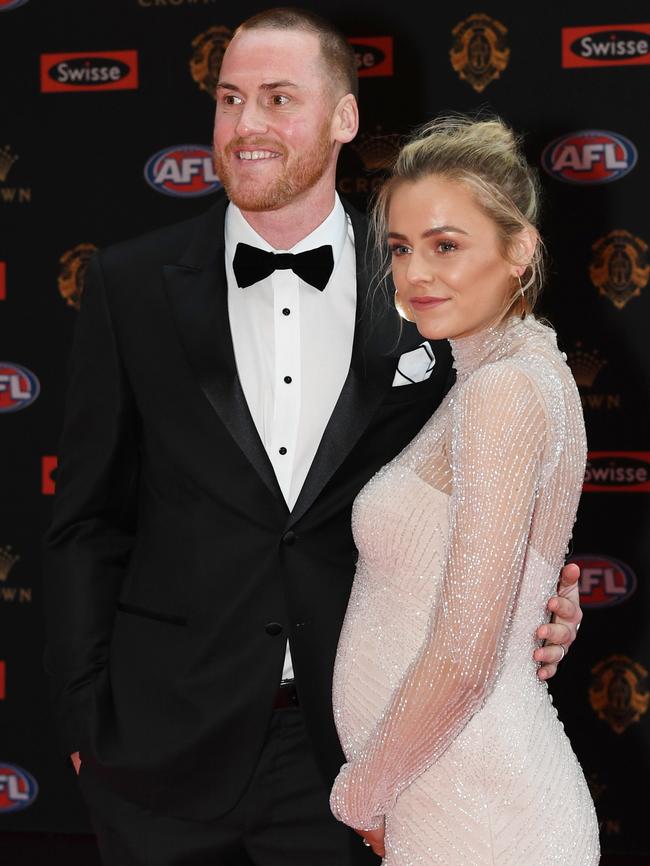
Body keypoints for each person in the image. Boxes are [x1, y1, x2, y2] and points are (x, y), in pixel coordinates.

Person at [43, 9, 582, 866]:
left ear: (344, 119)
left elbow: (501, 462)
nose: (245, 126)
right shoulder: (130, 284)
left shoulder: (426, 279)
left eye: (278, 98)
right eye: (229, 100)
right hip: (158, 754)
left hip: (361, 753)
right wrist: (85, 723)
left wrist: (545, 594)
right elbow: (85, 523)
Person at [329, 114, 600, 864]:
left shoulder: (503, 392)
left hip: (477, 810)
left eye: (446, 246)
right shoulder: (506, 373)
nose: (416, 275)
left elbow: (468, 655)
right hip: (452, 792)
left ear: (520, 250)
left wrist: (359, 793)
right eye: (402, 248)